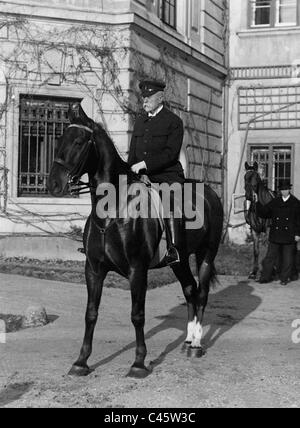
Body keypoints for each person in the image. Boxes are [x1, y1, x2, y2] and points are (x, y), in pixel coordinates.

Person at [128, 79, 185, 265]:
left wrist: (145, 164)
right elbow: (133, 152)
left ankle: (173, 249)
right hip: (140, 174)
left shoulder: (173, 122)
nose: (144, 100)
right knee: (114, 194)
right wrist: (128, 173)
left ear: (160, 98)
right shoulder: (140, 121)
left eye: (148, 96)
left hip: (166, 174)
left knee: (169, 200)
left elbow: (170, 154)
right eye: (143, 97)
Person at [255, 180, 300, 286]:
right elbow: (265, 212)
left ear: (289, 190)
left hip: (289, 234)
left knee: (288, 258)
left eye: (286, 189)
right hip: (275, 234)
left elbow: (299, 220)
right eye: (282, 190)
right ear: (280, 191)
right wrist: (257, 203)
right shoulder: (275, 201)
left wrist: (298, 234)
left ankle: (284, 278)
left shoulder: (296, 203)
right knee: (270, 257)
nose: (284, 191)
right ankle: (265, 277)